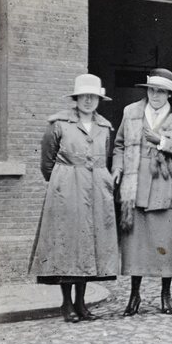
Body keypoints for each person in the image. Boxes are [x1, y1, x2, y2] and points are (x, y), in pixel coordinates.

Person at [29, 74, 118, 323]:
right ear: (76, 98)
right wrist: (61, 183)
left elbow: (105, 157)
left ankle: (82, 303)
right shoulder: (59, 124)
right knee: (67, 244)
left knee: (90, 244)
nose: (88, 101)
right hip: (67, 189)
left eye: (93, 97)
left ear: (98, 99)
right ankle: (66, 304)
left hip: (96, 189)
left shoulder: (104, 127)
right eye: (84, 96)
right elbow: (47, 162)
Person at [112, 68, 172, 316]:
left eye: (161, 91)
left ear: (170, 94)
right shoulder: (132, 112)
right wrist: (117, 168)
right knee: (136, 244)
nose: (155, 95)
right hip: (137, 185)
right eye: (151, 90)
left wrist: (164, 143)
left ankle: (165, 293)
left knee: (166, 241)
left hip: (167, 186)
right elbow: (119, 145)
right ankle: (134, 293)